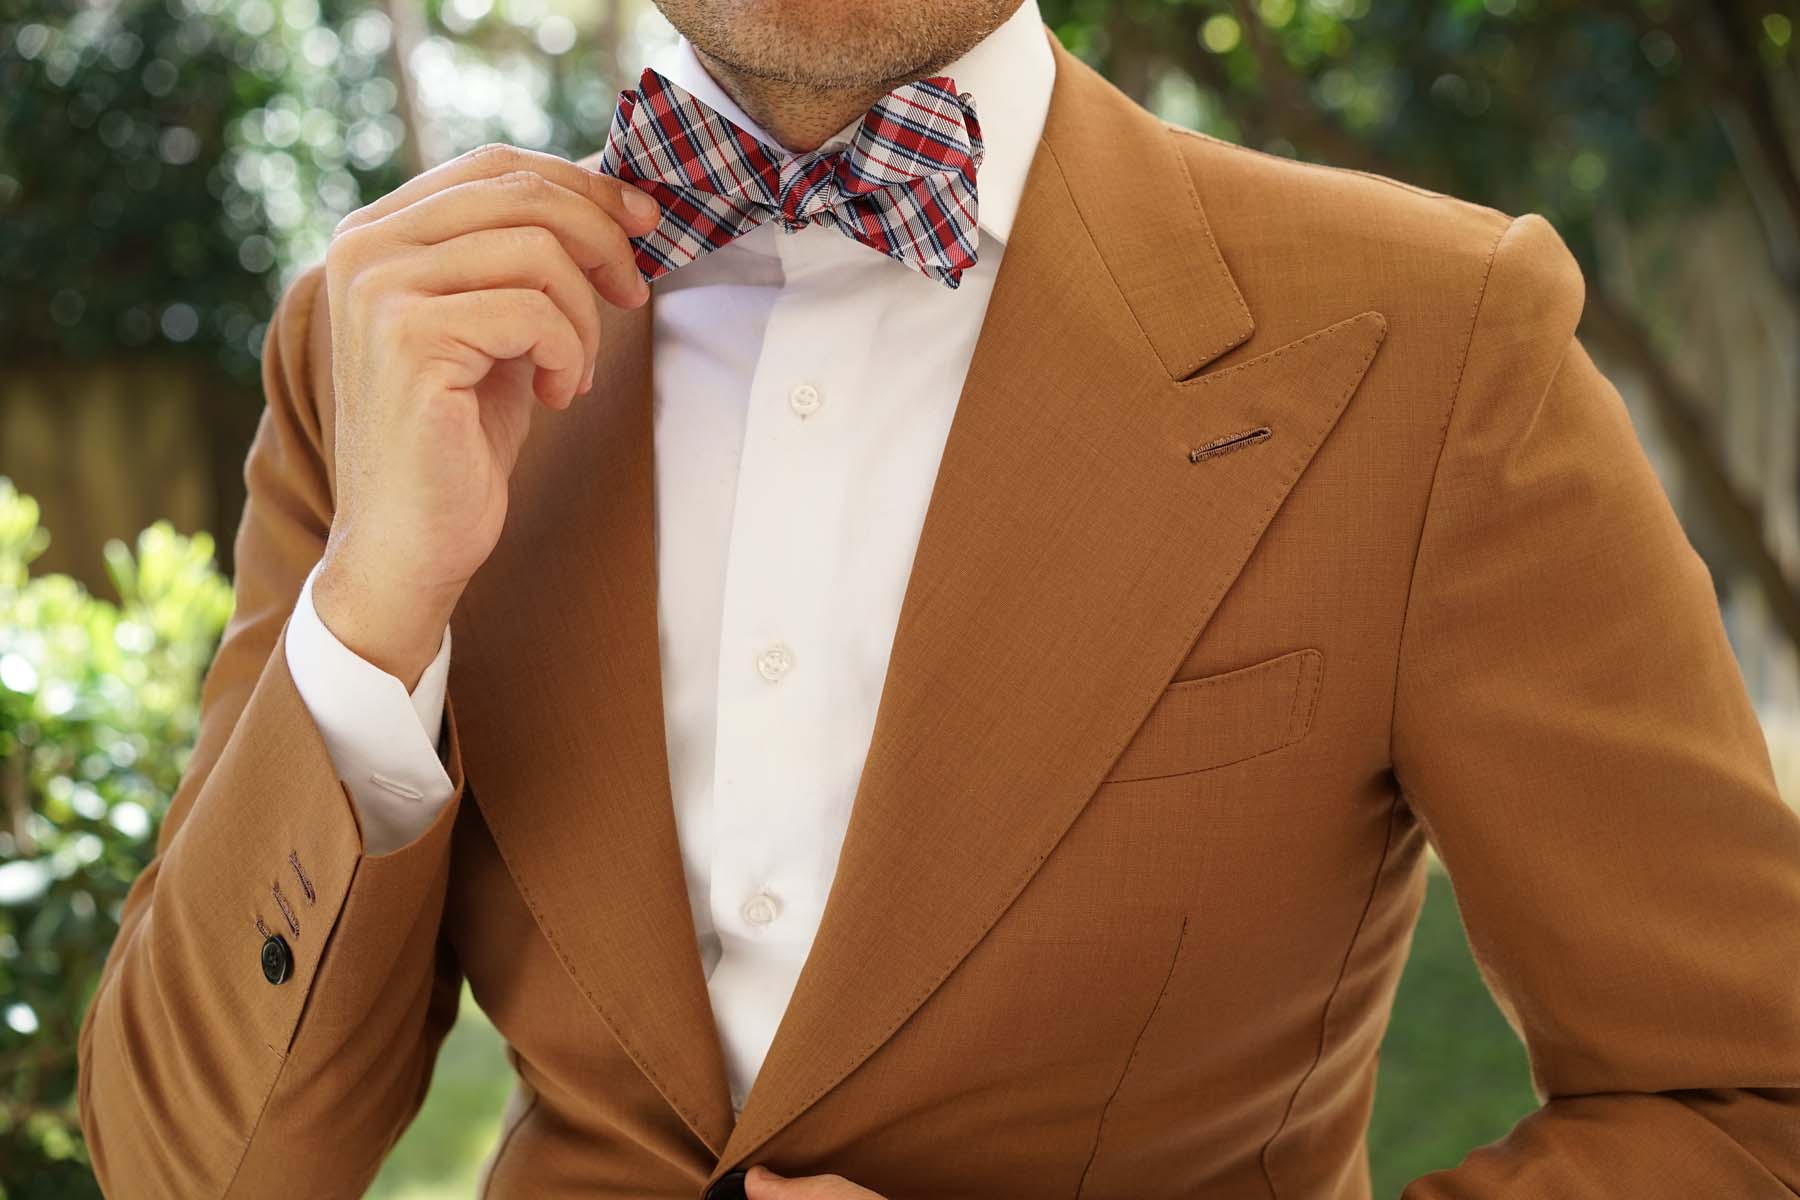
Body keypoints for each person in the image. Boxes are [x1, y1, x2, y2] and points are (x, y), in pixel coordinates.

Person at [76, 0, 1800, 1196]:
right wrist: (382, 611)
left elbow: (1749, 1108)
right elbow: (194, 1173)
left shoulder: (1432, 343)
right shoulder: (379, 345)